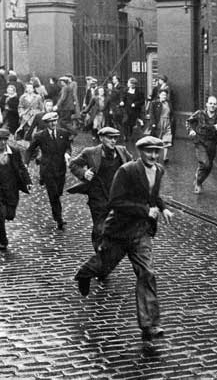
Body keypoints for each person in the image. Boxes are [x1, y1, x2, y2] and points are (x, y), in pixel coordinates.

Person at [74, 136, 174, 342]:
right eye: (149, 151)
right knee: (103, 267)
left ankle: (149, 325)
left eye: (157, 151)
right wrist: (146, 210)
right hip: (119, 231)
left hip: (141, 233)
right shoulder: (127, 170)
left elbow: (152, 195)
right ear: (140, 151)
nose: (154, 156)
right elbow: (115, 201)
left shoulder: (159, 171)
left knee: (147, 273)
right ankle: (84, 274)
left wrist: (163, 209)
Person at [68, 126, 133, 251]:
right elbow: (73, 164)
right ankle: (98, 249)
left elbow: (133, 165)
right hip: (97, 195)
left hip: (116, 195)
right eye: (110, 138)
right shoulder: (90, 152)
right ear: (101, 138)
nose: (113, 141)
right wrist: (84, 173)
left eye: (115, 138)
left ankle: (107, 244)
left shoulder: (122, 151)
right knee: (99, 225)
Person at [26, 112, 72, 230]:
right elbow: (29, 150)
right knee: (54, 194)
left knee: (59, 192)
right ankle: (59, 218)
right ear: (46, 123)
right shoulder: (40, 136)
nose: (53, 123)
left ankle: (58, 214)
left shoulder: (63, 133)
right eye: (50, 122)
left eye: (55, 121)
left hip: (61, 168)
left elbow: (68, 146)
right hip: (47, 169)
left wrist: (67, 154)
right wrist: (26, 163)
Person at [186, 95, 217, 194]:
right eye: (210, 103)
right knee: (205, 163)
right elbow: (188, 122)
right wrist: (191, 130)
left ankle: (198, 178)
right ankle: (198, 182)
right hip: (200, 142)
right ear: (206, 104)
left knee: (208, 167)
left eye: (214, 104)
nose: (212, 106)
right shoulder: (200, 114)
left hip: (212, 144)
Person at [148, 89, 173, 163]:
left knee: (167, 139)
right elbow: (152, 114)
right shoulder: (154, 103)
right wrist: (153, 123)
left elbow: (171, 113)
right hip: (159, 122)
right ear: (159, 95)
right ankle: (156, 156)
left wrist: (172, 121)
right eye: (162, 95)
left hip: (167, 122)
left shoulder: (168, 103)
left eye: (165, 95)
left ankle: (165, 157)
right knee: (157, 139)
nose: (164, 96)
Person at [121, 77, 144, 141]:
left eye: (129, 83)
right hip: (126, 109)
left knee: (132, 123)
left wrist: (135, 104)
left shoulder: (139, 92)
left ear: (133, 84)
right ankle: (125, 135)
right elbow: (123, 97)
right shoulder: (125, 90)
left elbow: (142, 101)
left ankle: (131, 134)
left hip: (134, 110)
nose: (127, 84)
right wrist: (122, 101)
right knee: (125, 121)